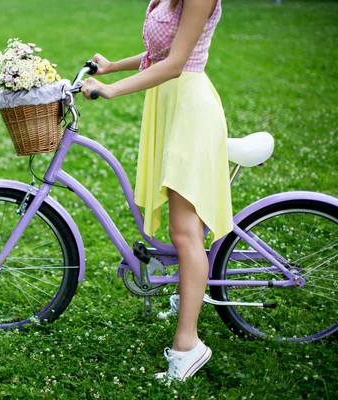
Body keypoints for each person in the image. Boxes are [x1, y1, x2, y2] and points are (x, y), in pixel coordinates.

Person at [81, 0, 233, 382]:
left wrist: (112, 89)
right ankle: (186, 299)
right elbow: (157, 54)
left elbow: (176, 62)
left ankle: (188, 345)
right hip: (169, 102)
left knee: (184, 233)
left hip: (190, 108)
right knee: (183, 231)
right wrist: (112, 66)